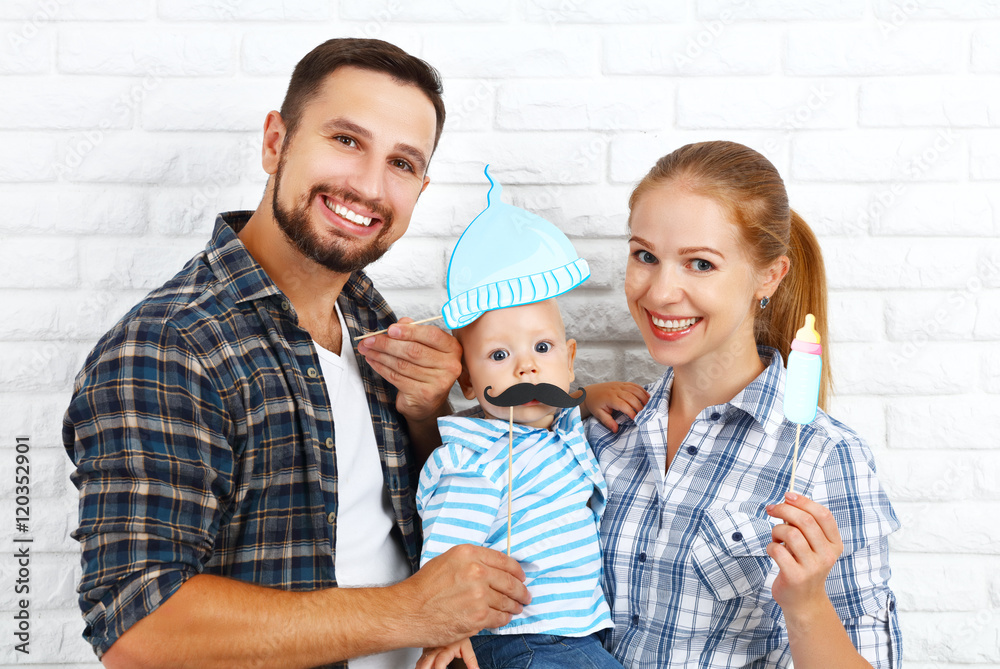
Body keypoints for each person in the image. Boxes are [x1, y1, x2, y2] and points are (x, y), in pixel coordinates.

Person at [62, 38, 531, 669]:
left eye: (401, 162)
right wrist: (413, 611)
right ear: (276, 143)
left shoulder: (367, 314)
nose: (368, 186)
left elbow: (404, 510)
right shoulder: (171, 347)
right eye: (346, 141)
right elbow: (139, 629)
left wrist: (425, 413)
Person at [587, 141, 902, 668]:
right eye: (645, 256)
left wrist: (805, 604)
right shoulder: (604, 431)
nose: (661, 292)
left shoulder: (827, 458)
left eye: (700, 264)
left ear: (768, 277)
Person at [416, 299, 642, 669]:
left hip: (574, 634)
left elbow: (563, 407)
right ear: (468, 381)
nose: (527, 367)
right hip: (522, 639)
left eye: (542, 348)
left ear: (569, 361)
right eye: (500, 354)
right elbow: (447, 552)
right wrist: (446, 631)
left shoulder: (557, 428)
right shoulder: (474, 460)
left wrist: (591, 396)